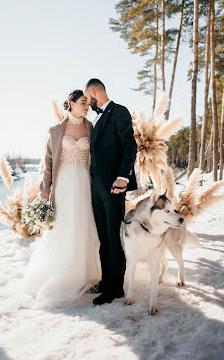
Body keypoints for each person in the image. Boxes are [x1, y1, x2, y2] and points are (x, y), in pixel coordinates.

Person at [24, 90, 101, 306]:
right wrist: (44, 189)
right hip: (64, 184)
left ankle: (88, 274)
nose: (87, 106)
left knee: (85, 225)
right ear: (71, 104)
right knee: (64, 226)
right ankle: (63, 273)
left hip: (85, 182)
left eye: (88, 103)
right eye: (83, 102)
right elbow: (48, 161)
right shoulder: (56, 130)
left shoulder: (91, 128)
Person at [84, 78, 137, 305]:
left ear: (95, 91)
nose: (88, 102)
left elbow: (129, 145)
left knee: (115, 237)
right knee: (104, 237)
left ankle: (116, 288)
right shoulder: (97, 118)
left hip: (115, 187)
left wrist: (123, 178)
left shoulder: (119, 111)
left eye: (88, 97)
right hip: (96, 187)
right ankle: (106, 281)